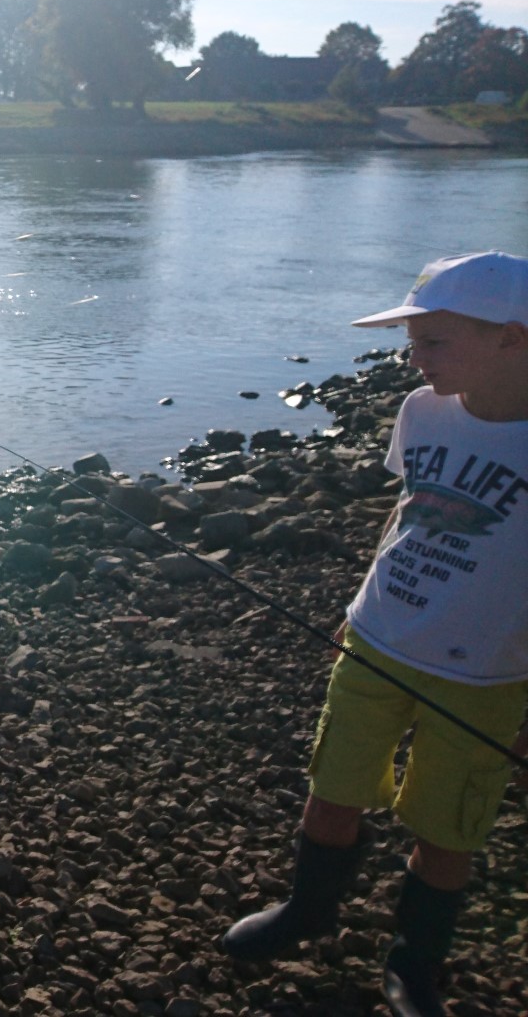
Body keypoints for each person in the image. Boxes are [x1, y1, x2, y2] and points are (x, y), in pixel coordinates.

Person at [219, 250, 528, 1017]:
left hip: (486, 675)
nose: (412, 358)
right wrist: (360, 603)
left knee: (448, 828)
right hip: (376, 639)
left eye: (433, 342)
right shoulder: (422, 410)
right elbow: (409, 511)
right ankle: (308, 909)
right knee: (334, 789)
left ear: (510, 338)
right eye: (411, 341)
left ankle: (413, 963)